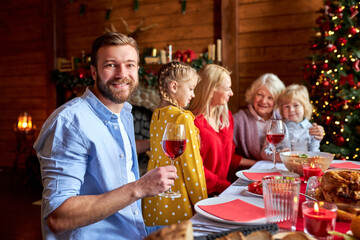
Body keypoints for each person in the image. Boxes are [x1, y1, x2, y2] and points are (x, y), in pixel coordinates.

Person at [33, 32, 177, 240]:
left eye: (129, 65)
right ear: (93, 72)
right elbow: (58, 218)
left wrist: (152, 144)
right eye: (111, 65)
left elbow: (111, 151)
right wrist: (139, 187)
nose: (121, 73)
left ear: (137, 70)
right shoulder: (69, 122)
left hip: (132, 229)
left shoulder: (123, 113)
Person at [142, 61, 208, 226]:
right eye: (191, 88)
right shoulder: (182, 117)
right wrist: (202, 203)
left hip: (154, 197)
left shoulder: (156, 115)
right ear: (174, 86)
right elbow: (192, 166)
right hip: (179, 196)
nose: (192, 95)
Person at [233, 73, 324, 168]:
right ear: (253, 95)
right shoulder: (239, 119)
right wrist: (258, 164)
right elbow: (228, 155)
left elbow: (302, 127)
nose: (264, 101)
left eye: (270, 97)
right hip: (251, 169)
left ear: (277, 101)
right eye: (260, 95)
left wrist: (318, 131)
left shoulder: (283, 116)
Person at [188, 64, 242, 196]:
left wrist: (257, 164)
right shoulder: (192, 122)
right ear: (211, 90)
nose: (232, 93)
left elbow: (229, 154)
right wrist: (225, 187)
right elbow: (194, 167)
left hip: (223, 191)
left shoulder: (226, 118)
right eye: (227, 89)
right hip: (202, 194)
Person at [261, 84, 321, 160]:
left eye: (296, 105)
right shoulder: (278, 128)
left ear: (305, 107)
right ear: (281, 110)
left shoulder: (312, 130)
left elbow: (315, 154)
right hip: (281, 167)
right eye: (287, 106)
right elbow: (264, 152)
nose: (291, 110)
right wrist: (275, 156)